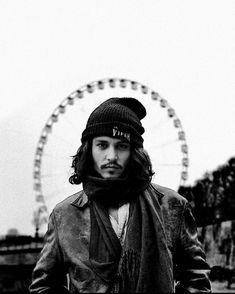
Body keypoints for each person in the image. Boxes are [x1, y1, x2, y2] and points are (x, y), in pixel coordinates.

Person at [30, 97, 211, 293]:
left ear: (134, 151)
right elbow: (44, 285)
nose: (112, 156)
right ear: (88, 149)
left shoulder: (172, 206)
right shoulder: (64, 215)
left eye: (121, 146)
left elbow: (196, 278)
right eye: (102, 145)